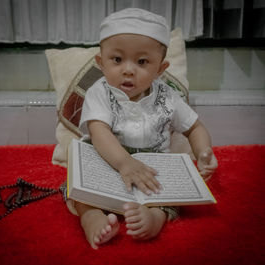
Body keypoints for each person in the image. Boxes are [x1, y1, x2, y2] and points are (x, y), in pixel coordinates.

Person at [66, 8, 218, 250]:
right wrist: (124, 163)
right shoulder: (100, 91)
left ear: (160, 68)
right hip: (108, 159)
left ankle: (155, 218)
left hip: (151, 167)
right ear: (100, 63)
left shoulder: (168, 96)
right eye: (117, 60)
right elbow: (98, 131)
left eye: (142, 62)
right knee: (81, 189)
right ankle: (92, 217)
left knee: (167, 195)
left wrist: (203, 151)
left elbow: (195, 127)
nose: (128, 69)